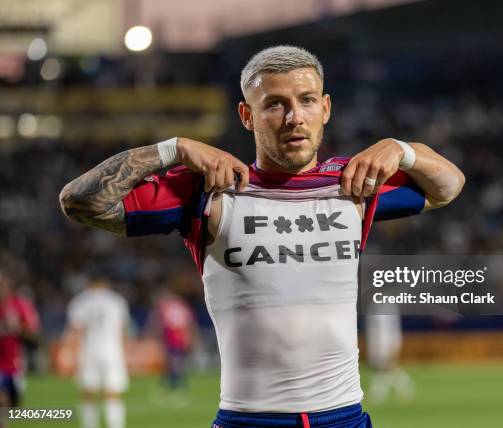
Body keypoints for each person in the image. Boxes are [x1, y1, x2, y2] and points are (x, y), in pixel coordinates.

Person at [59, 45, 464, 427]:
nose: (294, 117)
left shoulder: (352, 183)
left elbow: (448, 186)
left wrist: (402, 149)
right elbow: (80, 202)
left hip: (345, 418)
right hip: (247, 418)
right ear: (246, 115)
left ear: (325, 109)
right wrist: (175, 148)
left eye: (307, 100)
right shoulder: (208, 191)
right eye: (275, 104)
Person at [64, 278, 130, 428]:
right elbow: (123, 329)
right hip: (112, 350)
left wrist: (70, 350)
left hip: (89, 349)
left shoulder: (81, 300)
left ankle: (90, 425)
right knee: (113, 392)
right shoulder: (116, 300)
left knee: (88, 392)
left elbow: (75, 328)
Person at [0, 267, 39, 408]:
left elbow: (33, 334)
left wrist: (17, 328)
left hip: (14, 362)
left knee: (14, 405)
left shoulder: (20, 306)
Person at [365, 313, 415, 404]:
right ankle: (404, 390)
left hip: (385, 347)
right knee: (383, 372)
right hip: (379, 347)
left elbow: (393, 332)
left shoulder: (386, 313)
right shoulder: (376, 313)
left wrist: (392, 348)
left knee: (385, 371)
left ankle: (378, 395)